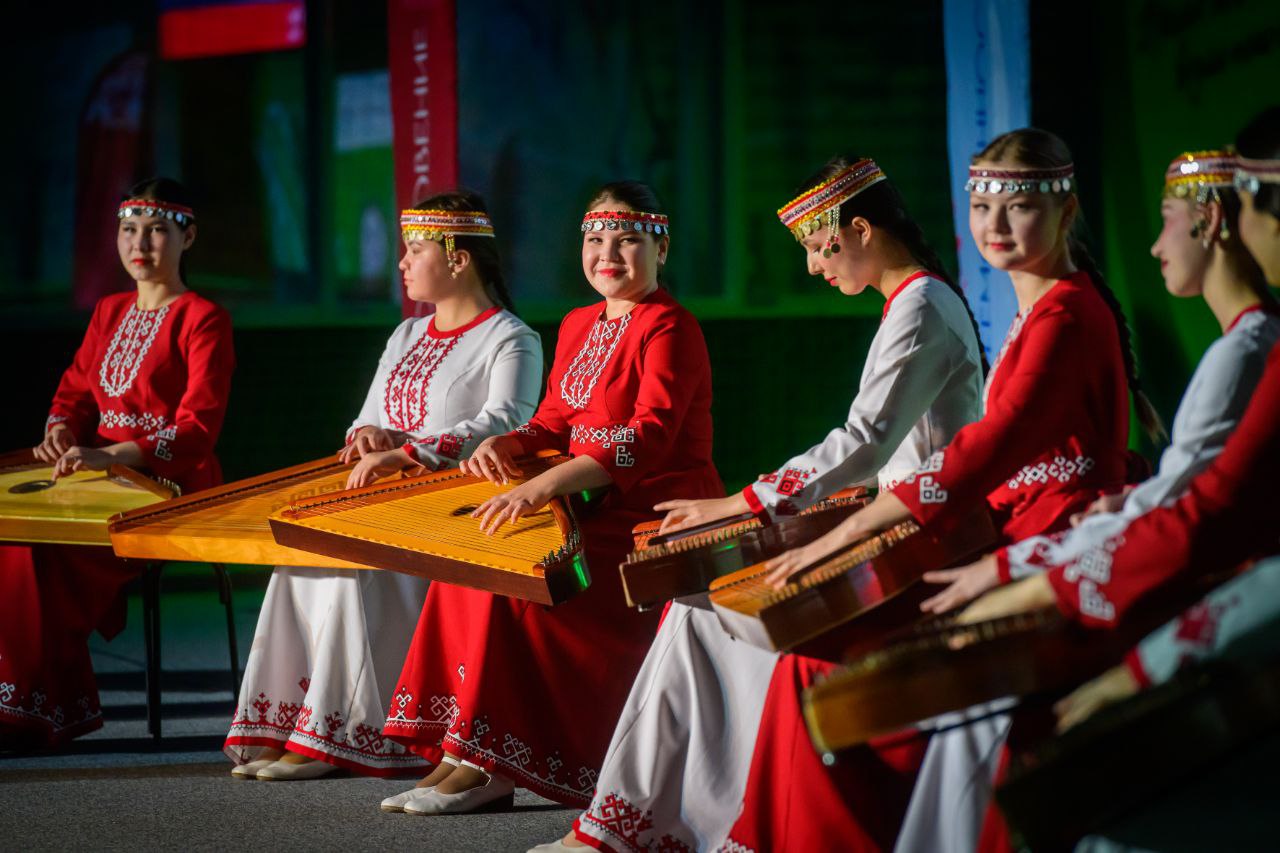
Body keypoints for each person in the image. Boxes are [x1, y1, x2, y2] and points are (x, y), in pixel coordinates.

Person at [538, 156, 986, 852]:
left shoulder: (923, 304)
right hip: (899, 518)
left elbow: (863, 443)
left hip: (921, 534)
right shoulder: (916, 301)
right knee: (693, 609)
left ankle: (648, 823)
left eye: (818, 246)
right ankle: (632, 820)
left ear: (859, 229)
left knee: (705, 611)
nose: (813, 266)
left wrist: (739, 505)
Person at [752, 128, 1145, 853]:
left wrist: (837, 535)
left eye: (1018, 205)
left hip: (1047, 549)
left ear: (1066, 210)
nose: (995, 225)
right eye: (981, 204)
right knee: (801, 652)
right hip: (1013, 533)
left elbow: (979, 453)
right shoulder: (1049, 307)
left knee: (812, 666)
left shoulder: (1058, 314)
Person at [379, 181, 723, 816]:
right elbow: (553, 421)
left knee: (522, 583)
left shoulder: (670, 326)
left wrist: (540, 486)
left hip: (649, 515)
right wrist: (506, 448)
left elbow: (644, 441)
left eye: (627, 240)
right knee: (470, 561)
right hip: (579, 503)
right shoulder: (577, 323)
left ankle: (493, 765)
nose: (608, 254)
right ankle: (461, 751)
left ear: (661, 248)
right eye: (595, 240)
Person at [225, 193, 542, 780]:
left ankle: (338, 737)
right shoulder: (405, 334)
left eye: (414, 250)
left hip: (452, 511)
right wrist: (369, 436)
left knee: (354, 567)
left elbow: (505, 423)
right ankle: (291, 724)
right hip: (381, 501)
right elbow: (365, 416)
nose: (402, 262)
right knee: (297, 558)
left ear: (458, 259)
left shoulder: (510, 337)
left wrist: (412, 451)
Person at [0, 178, 234, 746]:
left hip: (167, 485)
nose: (142, 244)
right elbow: (77, 391)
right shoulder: (109, 311)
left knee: (38, 553)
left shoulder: (203, 318)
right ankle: (36, 704)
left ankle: (31, 709)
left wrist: (110, 455)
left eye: (157, 231)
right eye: (130, 230)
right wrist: (59, 428)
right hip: (92, 475)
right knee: (14, 538)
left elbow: (197, 429)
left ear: (188, 237)